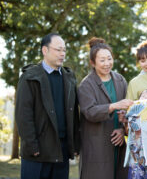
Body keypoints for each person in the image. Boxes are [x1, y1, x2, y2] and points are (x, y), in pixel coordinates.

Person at [15, 33, 80, 179]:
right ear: (45, 50)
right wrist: (33, 146)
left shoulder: (69, 78)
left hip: (62, 150)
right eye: (58, 50)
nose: (62, 54)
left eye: (64, 50)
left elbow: (74, 113)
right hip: (37, 152)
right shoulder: (30, 77)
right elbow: (23, 115)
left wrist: (74, 144)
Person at [77, 37, 133, 179]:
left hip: (119, 143)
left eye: (109, 59)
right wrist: (113, 106)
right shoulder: (86, 85)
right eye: (102, 60)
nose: (107, 63)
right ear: (93, 63)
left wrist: (122, 129)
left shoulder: (120, 80)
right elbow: (90, 112)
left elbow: (127, 111)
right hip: (97, 145)